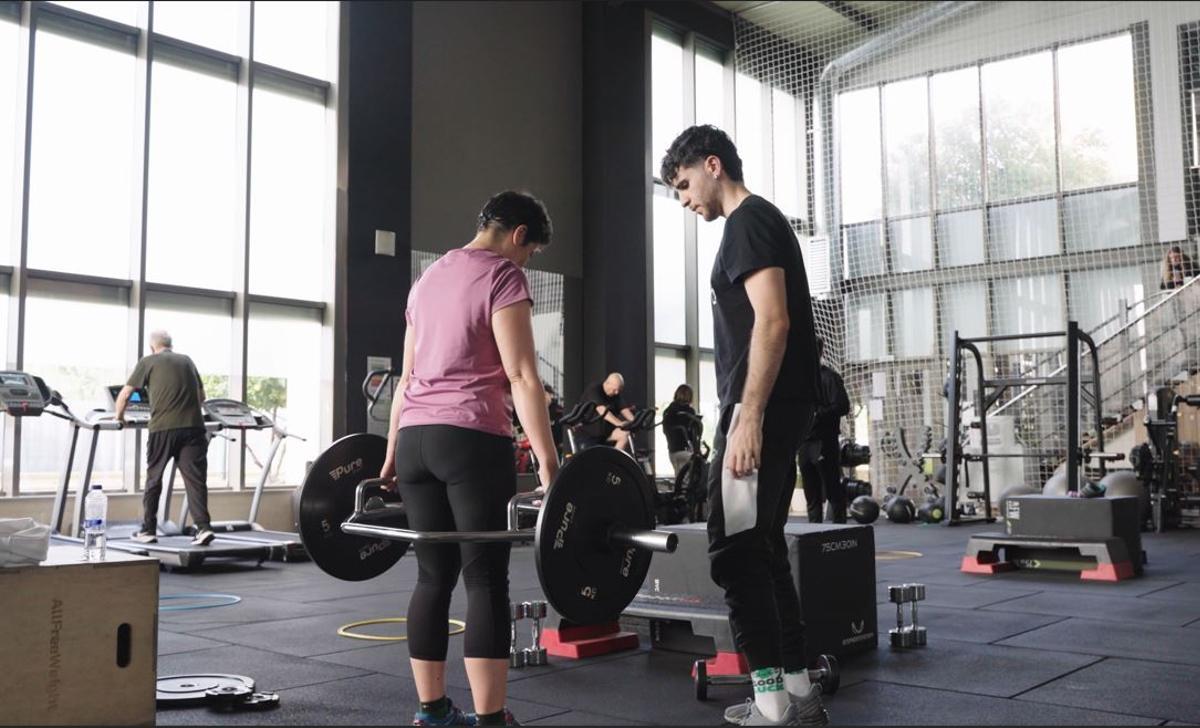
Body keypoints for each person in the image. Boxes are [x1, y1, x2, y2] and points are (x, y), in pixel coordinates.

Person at [662, 124, 826, 727]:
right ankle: (796, 692)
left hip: (759, 409)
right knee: (760, 547)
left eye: (683, 185)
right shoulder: (757, 221)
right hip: (775, 406)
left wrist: (747, 416)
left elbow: (774, 321)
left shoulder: (748, 220)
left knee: (732, 552)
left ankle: (770, 705)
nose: (683, 199)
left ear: (713, 165)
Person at [379, 190, 559, 727]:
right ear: (519, 234)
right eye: (530, 253)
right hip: (471, 440)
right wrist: (551, 467)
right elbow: (522, 376)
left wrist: (390, 453)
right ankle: (490, 718)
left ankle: (431, 713)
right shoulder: (503, 276)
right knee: (485, 579)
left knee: (432, 577)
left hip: (414, 440)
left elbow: (406, 378)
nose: (526, 263)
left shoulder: (427, 279)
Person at [116, 330, 215, 547]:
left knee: (154, 478)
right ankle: (204, 528)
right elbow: (202, 397)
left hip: (163, 428)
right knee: (196, 480)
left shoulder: (148, 361)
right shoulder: (187, 360)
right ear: (171, 345)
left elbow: (124, 394)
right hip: (194, 428)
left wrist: (119, 418)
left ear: (152, 347)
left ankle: (149, 529)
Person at [798, 338, 851, 524]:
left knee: (832, 489)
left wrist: (818, 414)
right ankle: (813, 531)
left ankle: (840, 531)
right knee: (811, 493)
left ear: (819, 353)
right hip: (804, 443)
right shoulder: (801, 379)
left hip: (824, 442)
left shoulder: (830, 378)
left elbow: (843, 406)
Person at [574, 372, 635, 451]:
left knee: (625, 434)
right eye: (615, 389)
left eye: (619, 390)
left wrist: (635, 422)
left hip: (605, 435)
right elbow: (602, 410)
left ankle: (613, 461)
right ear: (607, 383)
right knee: (595, 460)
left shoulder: (616, 395)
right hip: (588, 436)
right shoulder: (594, 390)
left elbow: (624, 409)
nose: (616, 392)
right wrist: (619, 423)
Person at [662, 384, 700, 476]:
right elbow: (694, 432)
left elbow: (665, 430)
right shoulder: (689, 412)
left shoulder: (668, 411)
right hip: (686, 450)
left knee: (678, 479)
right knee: (687, 482)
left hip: (672, 450)